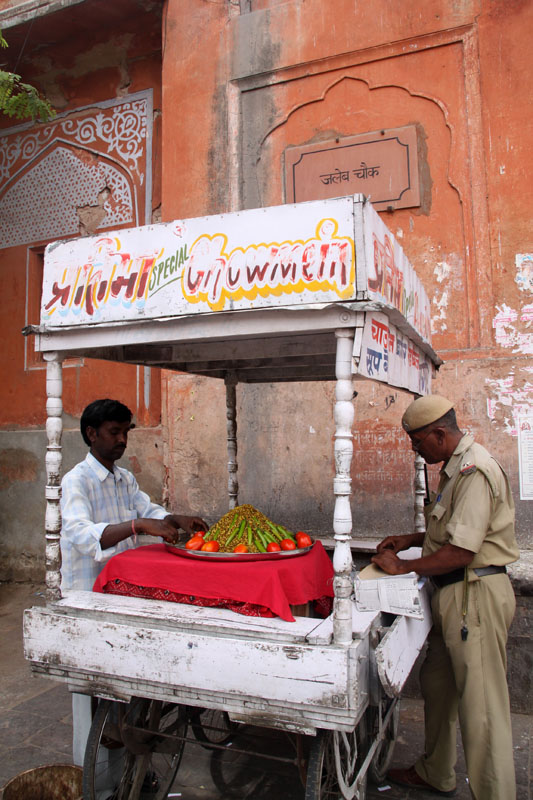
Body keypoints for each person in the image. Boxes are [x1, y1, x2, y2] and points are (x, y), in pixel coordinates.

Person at [372, 394, 518, 800]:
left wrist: (404, 567)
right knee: (438, 686)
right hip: (453, 595)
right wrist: (412, 539)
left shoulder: (474, 471)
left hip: (475, 595)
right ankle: (436, 770)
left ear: (439, 434)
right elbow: (450, 530)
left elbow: (461, 552)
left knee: (482, 709)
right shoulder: (454, 468)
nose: (415, 450)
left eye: (418, 442)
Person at [60, 398, 208, 767]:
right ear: (92, 434)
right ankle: (96, 782)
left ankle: (130, 776)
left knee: (124, 691)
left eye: (126, 432)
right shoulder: (77, 481)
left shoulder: (124, 479)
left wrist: (176, 519)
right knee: (92, 696)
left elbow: (148, 511)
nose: (122, 440)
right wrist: (137, 526)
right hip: (88, 597)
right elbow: (81, 534)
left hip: (123, 594)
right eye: (115, 432)